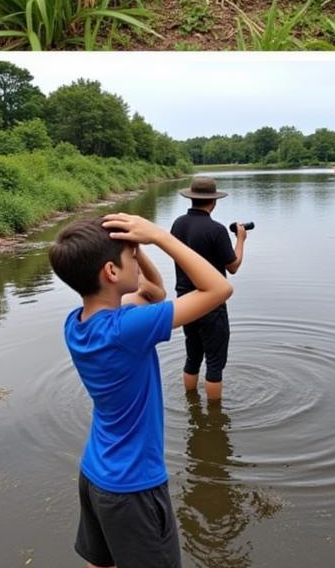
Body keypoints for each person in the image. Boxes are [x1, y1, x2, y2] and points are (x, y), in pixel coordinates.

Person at [48, 213, 233, 567]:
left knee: (101, 562)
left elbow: (154, 291)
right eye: (131, 256)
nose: (137, 257)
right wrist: (160, 237)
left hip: (95, 474)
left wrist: (136, 250)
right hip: (133, 486)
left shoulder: (77, 324)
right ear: (111, 273)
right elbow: (218, 289)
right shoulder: (127, 328)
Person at [170, 176, 249, 401]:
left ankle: (191, 405)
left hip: (186, 303)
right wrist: (241, 239)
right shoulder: (216, 230)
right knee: (214, 364)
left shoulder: (178, 224)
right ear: (213, 202)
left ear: (191, 198)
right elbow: (232, 266)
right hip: (211, 304)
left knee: (192, 357)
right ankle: (215, 419)